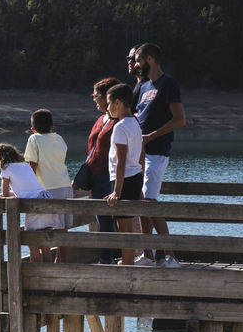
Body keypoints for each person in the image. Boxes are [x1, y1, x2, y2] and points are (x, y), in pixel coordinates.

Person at [128, 42, 186, 259]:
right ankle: (148, 255)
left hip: (157, 152)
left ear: (150, 59)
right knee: (142, 203)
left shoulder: (167, 83)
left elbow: (180, 119)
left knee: (150, 203)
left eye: (138, 61)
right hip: (140, 153)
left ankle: (170, 256)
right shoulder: (144, 86)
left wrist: (151, 136)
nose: (136, 64)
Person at [77, 77, 123, 245]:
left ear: (107, 97)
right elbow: (93, 149)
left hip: (110, 177)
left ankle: (122, 255)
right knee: (102, 222)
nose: (94, 99)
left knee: (117, 220)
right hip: (95, 177)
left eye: (96, 95)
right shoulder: (100, 119)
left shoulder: (120, 122)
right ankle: (107, 256)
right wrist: (80, 177)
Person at [103, 83, 144, 264]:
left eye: (109, 103)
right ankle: (129, 264)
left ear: (118, 103)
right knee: (128, 227)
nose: (107, 108)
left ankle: (128, 268)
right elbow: (140, 154)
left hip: (124, 179)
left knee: (124, 228)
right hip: (134, 177)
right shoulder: (135, 122)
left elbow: (121, 161)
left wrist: (116, 192)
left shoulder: (120, 127)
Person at [0, 142, 52, 260]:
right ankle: (49, 269)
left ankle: (37, 269)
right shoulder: (25, 165)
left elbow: (6, 194)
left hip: (35, 204)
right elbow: (26, 188)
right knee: (44, 241)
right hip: (47, 198)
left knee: (31, 241)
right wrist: (10, 194)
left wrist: (1, 195)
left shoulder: (6, 169)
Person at [23, 109, 70, 238]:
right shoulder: (59, 138)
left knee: (37, 229)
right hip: (66, 187)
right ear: (52, 126)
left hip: (48, 189)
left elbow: (32, 165)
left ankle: (44, 252)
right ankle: (63, 252)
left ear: (33, 129)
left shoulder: (34, 138)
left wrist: (27, 188)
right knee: (62, 228)